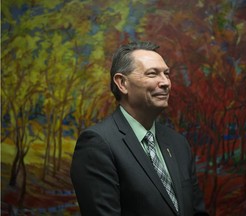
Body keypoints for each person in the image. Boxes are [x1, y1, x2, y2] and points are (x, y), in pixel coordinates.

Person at [70, 41, 209, 216]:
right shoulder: (98, 144)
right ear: (122, 83)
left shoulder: (178, 143)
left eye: (167, 74)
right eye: (153, 74)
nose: (165, 82)